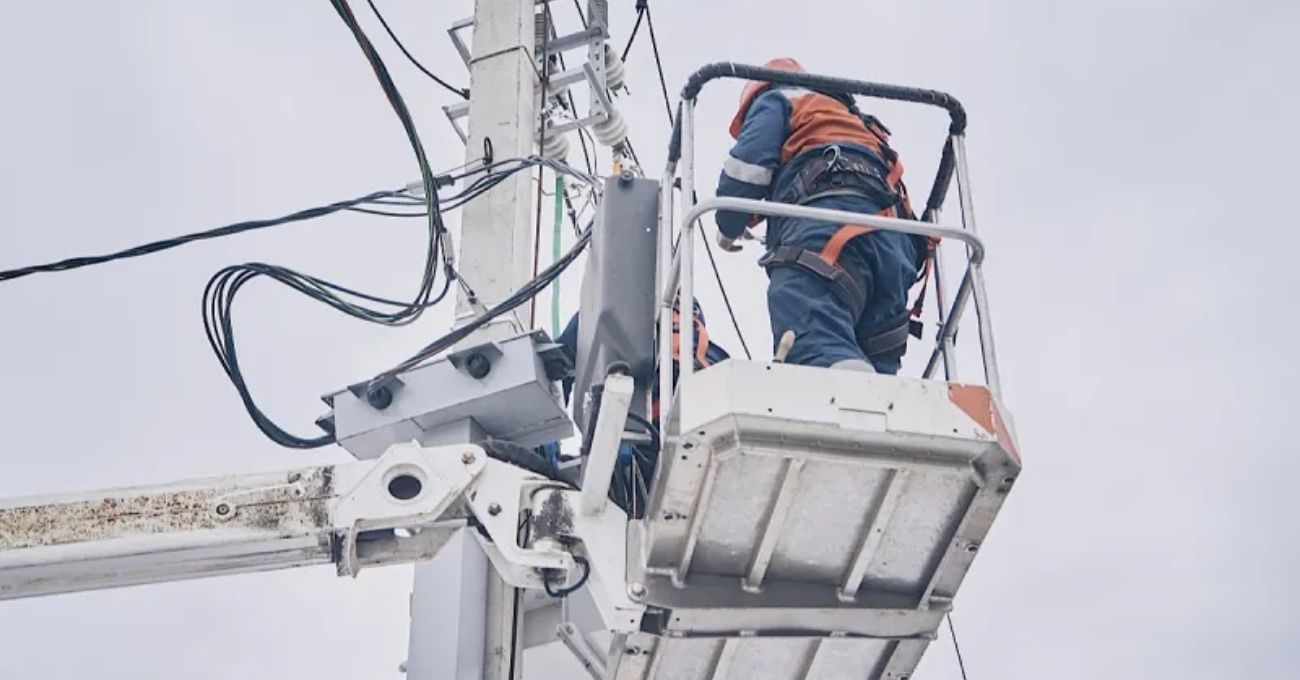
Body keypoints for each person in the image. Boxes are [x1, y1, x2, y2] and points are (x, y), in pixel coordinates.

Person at [714, 58, 928, 375]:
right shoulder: (855, 122)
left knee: (807, 315)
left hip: (830, 227)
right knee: (878, 357)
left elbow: (746, 170)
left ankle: (848, 404)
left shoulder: (777, 99)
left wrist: (729, 224)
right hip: (896, 245)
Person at [546, 301, 729, 514]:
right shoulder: (709, 352)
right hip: (690, 442)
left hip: (636, 440)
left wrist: (549, 459)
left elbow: (557, 365)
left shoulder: (606, 310)